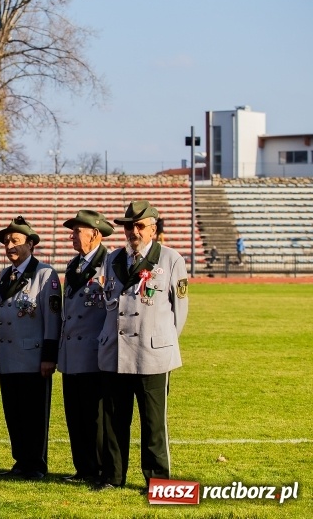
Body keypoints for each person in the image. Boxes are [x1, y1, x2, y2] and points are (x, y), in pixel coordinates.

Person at [96, 200, 189, 490]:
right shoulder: (113, 259)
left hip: (153, 353)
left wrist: (163, 341)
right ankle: (113, 477)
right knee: (113, 420)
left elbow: (180, 310)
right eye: (128, 226)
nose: (132, 231)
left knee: (153, 423)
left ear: (153, 229)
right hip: (117, 351)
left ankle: (158, 480)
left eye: (139, 226)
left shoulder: (171, 259)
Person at [0, 216, 62, 480]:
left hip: (33, 359)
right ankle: (20, 461)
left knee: (34, 415)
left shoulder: (45, 274)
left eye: (15, 241)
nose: (9, 245)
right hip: (8, 359)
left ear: (30, 244)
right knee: (13, 414)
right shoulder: (4, 275)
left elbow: (53, 319)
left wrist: (48, 357)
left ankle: (35, 464)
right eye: (7, 241)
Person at [58, 210, 115, 483]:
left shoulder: (111, 263)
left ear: (95, 234)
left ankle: (100, 468)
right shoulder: (73, 266)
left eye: (77, 230)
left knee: (96, 418)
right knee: (75, 416)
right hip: (71, 355)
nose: (72, 235)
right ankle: (83, 468)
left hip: (95, 354)